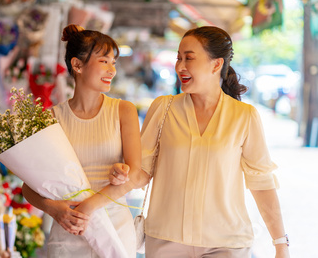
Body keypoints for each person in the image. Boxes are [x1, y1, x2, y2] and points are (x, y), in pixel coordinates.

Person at [113, 26, 290, 258]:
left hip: (226, 243)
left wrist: (280, 244)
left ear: (216, 64)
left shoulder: (244, 116)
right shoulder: (164, 108)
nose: (179, 66)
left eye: (189, 58)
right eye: (178, 58)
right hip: (166, 239)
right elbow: (143, 171)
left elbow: (262, 183)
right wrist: (121, 176)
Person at [22, 24, 149, 257]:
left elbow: (135, 174)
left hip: (114, 228)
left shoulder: (123, 110)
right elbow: (28, 187)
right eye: (104, 61)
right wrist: (54, 209)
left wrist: (89, 206)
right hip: (69, 228)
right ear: (77, 65)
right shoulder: (50, 118)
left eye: (114, 62)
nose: (112, 70)